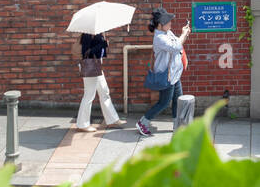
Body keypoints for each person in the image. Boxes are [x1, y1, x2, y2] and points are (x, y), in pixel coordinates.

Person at [139, 8, 188, 137]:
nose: (170, 23)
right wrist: (183, 34)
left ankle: (177, 125)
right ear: (160, 24)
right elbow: (175, 46)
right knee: (164, 102)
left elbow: (176, 43)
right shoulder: (159, 38)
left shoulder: (167, 33)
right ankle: (143, 122)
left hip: (174, 74)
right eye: (168, 22)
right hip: (167, 76)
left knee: (178, 100)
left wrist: (183, 36)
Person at [73, 32, 127, 132]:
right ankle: (82, 124)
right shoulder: (88, 33)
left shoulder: (97, 32)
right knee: (89, 95)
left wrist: (103, 42)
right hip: (90, 66)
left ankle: (112, 120)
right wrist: (104, 44)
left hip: (96, 66)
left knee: (104, 92)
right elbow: (87, 51)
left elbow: (98, 50)